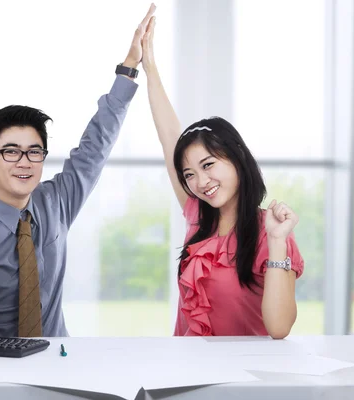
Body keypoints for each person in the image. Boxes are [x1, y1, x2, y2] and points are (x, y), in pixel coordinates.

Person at [0, 5, 157, 338]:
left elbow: (94, 149)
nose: (24, 161)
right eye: (10, 151)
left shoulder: (54, 202)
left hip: (58, 361)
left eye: (34, 151)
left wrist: (128, 68)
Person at [140, 15, 304, 338]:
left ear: (237, 158)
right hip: (187, 374)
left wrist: (276, 242)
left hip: (242, 382)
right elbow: (170, 135)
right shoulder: (198, 217)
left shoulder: (269, 232)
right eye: (189, 174)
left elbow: (280, 327)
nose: (200, 182)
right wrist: (150, 67)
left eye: (208, 165)